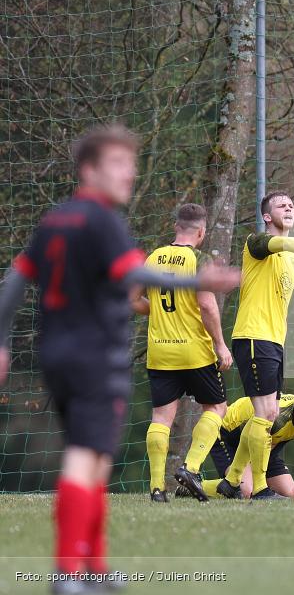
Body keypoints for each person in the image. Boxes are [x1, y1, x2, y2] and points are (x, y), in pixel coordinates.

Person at [0, 124, 240, 594]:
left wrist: (3, 340)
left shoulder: (56, 219)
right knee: (85, 457)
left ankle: (92, 567)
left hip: (60, 353)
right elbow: (136, 273)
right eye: (118, 163)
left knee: (96, 458)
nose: (129, 172)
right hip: (93, 356)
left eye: (130, 163)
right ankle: (69, 572)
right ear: (89, 170)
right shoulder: (101, 220)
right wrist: (198, 283)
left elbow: (16, 277)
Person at [216, 191, 294, 500]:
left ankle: (231, 479)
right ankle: (258, 487)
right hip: (253, 336)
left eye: (292, 205)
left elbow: (290, 250)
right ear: (267, 217)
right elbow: (286, 242)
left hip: (274, 342)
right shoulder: (257, 243)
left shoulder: (293, 258)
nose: (289, 207)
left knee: (267, 413)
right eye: (281, 205)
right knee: (267, 412)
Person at [130, 203, 233, 503]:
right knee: (216, 408)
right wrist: (220, 344)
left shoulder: (153, 258)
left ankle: (156, 488)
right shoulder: (199, 258)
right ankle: (191, 468)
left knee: (161, 418)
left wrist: (159, 313)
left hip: (160, 352)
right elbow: (207, 305)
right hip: (194, 352)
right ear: (201, 232)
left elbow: (130, 299)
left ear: (175, 227)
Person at [189, 379, 294, 499]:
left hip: (259, 443)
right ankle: (193, 487)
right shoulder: (278, 416)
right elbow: (251, 436)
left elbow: (270, 446)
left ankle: (245, 485)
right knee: (246, 491)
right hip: (227, 434)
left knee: (290, 492)